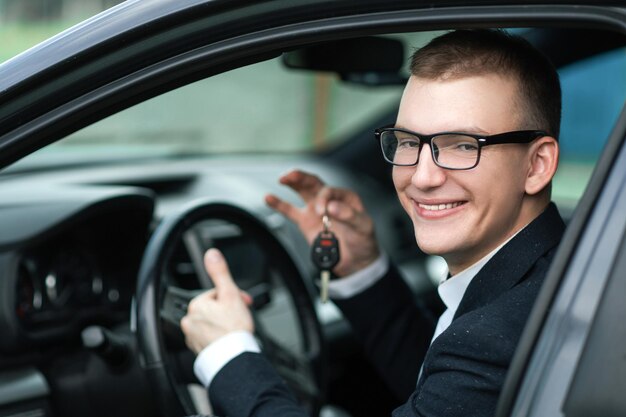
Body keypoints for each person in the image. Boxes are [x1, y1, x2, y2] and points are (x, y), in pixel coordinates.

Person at [180, 29, 564, 417]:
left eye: (463, 145)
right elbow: (440, 387)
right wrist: (363, 270)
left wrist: (228, 354)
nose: (422, 177)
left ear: (537, 165)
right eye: (410, 142)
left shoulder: (502, 333)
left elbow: (468, 363)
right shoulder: (548, 274)